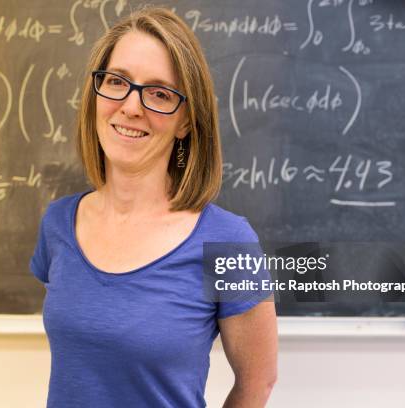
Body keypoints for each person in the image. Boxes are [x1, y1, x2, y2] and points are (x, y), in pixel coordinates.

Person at [30, 6, 277, 408]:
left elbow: (258, 381)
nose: (131, 106)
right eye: (117, 82)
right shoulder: (59, 223)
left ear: (185, 122)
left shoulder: (228, 242)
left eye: (159, 93)